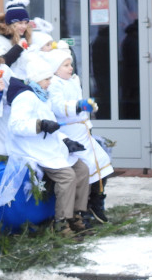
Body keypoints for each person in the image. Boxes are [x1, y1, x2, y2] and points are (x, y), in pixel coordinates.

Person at [8, 55, 90, 235]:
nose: (50, 82)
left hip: (50, 146)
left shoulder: (42, 97)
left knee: (82, 169)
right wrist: (40, 125)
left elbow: (52, 125)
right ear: (36, 79)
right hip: (34, 149)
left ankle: (77, 214)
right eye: (47, 79)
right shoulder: (25, 97)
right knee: (67, 176)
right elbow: (15, 125)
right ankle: (62, 222)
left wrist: (66, 141)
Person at [47, 45, 113, 224]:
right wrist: (77, 106)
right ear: (55, 68)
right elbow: (57, 106)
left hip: (82, 130)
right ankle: (83, 207)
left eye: (70, 64)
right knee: (88, 166)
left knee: (102, 162)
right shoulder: (54, 84)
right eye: (66, 65)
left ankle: (97, 201)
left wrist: (88, 107)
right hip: (70, 132)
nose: (70, 68)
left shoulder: (73, 80)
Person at [0, 0, 32, 77]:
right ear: (11, 23)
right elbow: (0, 63)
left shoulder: (23, 36)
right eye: (20, 23)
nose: (24, 26)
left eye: (26, 23)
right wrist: (18, 48)